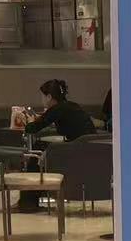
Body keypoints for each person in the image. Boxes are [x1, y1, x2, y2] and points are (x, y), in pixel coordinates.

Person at [16, 80, 97, 211]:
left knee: (36, 152)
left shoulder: (57, 109)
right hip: (88, 150)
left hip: (75, 152)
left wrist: (29, 121)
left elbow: (32, 128)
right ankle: (29, 200)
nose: (42, 99)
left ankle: (28, 201)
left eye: (43, 96)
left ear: (49, 97)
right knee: (41, 147)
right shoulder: (71, 106)